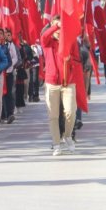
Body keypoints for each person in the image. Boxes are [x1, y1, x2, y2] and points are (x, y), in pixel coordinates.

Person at [41, 16, 78, 156]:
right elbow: (44, 36)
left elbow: (77, 59)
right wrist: (55, 26)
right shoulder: (48, 42)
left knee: (70, 111)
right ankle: (56, 144)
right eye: (57, 25)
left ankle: (67, 135)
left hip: (68, 82)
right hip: (52, 82)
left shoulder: (70, 41)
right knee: (53, 115)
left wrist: (70, 60)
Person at [1, 29, 20, 124]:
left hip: (8, 72)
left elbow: (15, 58)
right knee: (1, 95)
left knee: (9, 93)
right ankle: (1, 115)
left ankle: (9, 113)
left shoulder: (10, 45)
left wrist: (9, 65)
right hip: (0, 73)